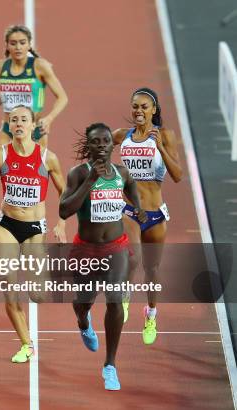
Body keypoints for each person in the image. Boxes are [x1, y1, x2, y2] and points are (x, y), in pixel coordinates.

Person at [59, 122, 146, 390]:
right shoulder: (77, 173)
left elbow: (131, 187)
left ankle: (110, 365)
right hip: (86, 249)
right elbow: (64, 211)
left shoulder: (121, 172)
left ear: (111, 144)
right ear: (88, 146)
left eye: (106, 141)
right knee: (83, 302)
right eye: (95, 142)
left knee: (115, 300)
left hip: (116, 247)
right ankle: (83, 322)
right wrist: (90, 182)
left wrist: (139, 208)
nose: (101, 146)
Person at [0, 105, 66, 363]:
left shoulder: (48, 158)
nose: (18, 123)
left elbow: (66, 196)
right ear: (9, 125)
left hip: (34, 228)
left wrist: (61, 223)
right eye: (13, 120)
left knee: (38, 294)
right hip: (7, 224)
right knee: (8, 287)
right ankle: (27, 344)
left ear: (32, 125)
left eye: (23, 120)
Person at [112, 87, 182, 344]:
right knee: (133, 257)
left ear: (154, 109)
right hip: (130, 210)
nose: (138, 111)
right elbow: (98, 146)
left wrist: (161, 147)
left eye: (144, 106)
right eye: (135, 106)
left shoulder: (166, 135)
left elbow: (177, 175)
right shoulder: (122, 135)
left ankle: (151, 314)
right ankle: (126, 296)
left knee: (152, 269)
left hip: (156, 213)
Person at [0, 25, 68, 146]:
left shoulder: (40, 66)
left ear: (29, 45)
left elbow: (62, 97)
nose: (18, 47)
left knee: (37, 165)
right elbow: (6, 92)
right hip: (8, 129)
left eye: (22, 42)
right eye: (13, 43)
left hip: (34, 129)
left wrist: (49, 119)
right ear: (7, 45)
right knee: (3, 164)